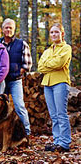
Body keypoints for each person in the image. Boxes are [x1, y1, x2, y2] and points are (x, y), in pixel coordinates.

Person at [38, 23, 72, 152]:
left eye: (56, 32)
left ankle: (64, 143)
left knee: (61, 114)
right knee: (53, 115)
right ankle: (57, 141)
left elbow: (60, 63)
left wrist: (48, 63)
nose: (53, 34)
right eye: (52, 32)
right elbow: (40, 66)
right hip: (48, 84)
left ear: (62, 34)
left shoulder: (66, 48)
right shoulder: (47, 51)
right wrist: (50, 64)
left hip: (60, 83)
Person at [0, 18, 32, 136]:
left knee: (19, 105)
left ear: (14, 29)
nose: (8, 30)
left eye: (10, 28)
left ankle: (26, 132)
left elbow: (27, 65)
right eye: (6, 27)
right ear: (2, 29)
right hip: (1, 82)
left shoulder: (21, 44)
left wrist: (17, 72)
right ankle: (2, 134)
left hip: (15, 81)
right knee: (1, 108)